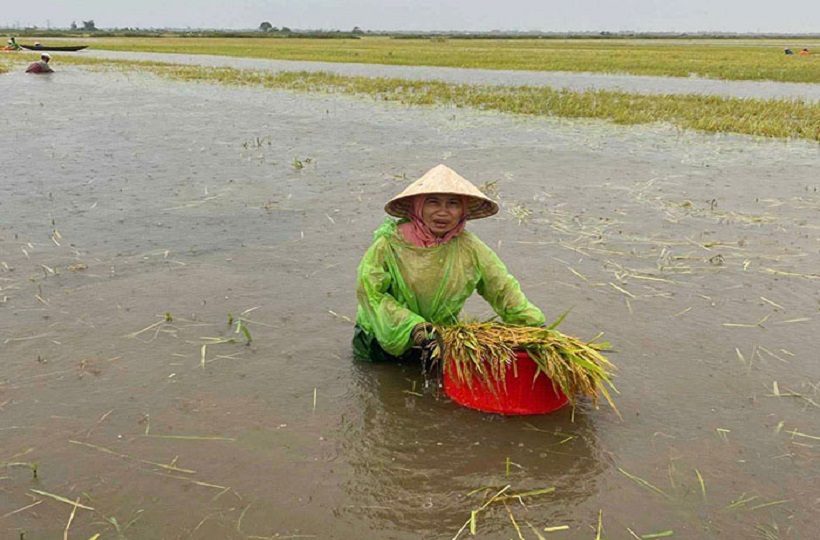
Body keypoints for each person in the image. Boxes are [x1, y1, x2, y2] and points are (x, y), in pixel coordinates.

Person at [353, 164, 546, 362]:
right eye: (433, 202)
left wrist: (534, 328)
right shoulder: (389, 244)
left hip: (437, 339)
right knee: (380, 386)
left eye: (453, 204)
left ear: (463, 210)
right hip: (381, 337)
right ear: (418, 206)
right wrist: (413, 328)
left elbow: (501, 287)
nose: (443, 212)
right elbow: (371, 294)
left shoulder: (469, 247)